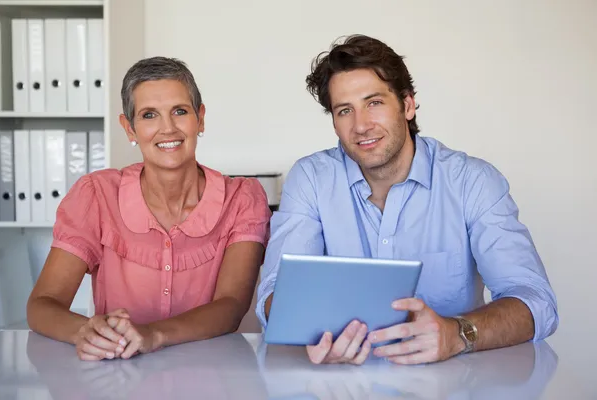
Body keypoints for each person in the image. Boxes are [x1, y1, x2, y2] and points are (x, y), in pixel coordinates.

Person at [256, 34, 558, 365]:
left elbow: (535, 302)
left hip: (451, 384)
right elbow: (274, 295)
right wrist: (310, 332)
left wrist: (457, 333)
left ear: (408, 105)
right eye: (345, 110)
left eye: (374, 103)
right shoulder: (311, 179)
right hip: (342, 386)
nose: (361, 125)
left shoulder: (472, 182)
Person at [27, 57, 271, 361]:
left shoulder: (243, 199)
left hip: (213, 373)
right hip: (115, 375)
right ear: (129, 128)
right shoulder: (96, 195)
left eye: (180, 111)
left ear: (201, 118)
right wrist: (85, 330)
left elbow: (231, 305)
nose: (167, 128)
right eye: (149, 115)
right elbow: (43, 303)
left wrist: (153, 334)